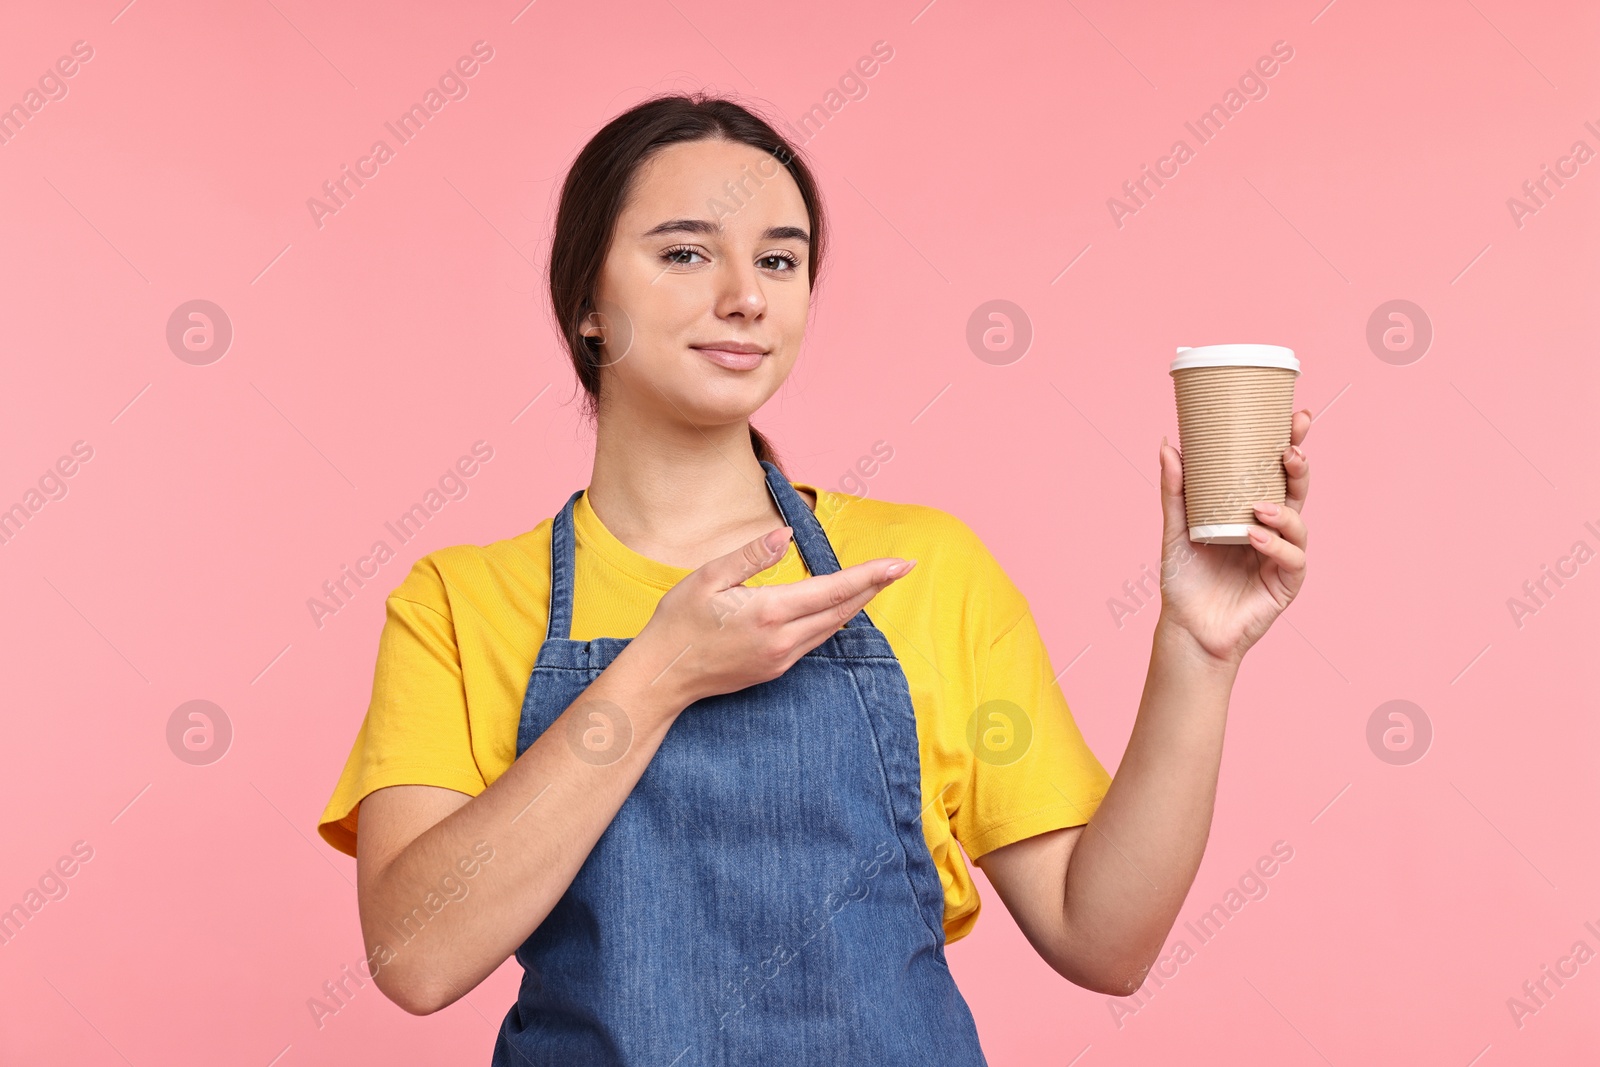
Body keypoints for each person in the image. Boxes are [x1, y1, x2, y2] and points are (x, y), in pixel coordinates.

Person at [316, 92, 1312, 1065]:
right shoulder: (462, 601)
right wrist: (659, 673)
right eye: (684, 252)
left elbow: (1102, 937)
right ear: (585, 302)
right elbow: (416, 953)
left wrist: (1198, 646)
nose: (747, 294)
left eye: (780, 259)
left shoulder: (927, 571)